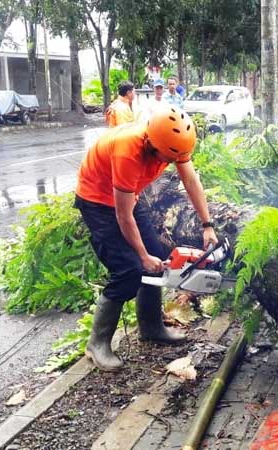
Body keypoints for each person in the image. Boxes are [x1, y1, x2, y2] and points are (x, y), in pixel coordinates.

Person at [75, 107, 218, 372]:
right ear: (152, 143)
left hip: (128, 196)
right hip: (97, 200)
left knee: (158, 256)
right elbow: (122, 215)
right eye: (168, 157)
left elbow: (191, 180)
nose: (171, 162)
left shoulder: (173, 142)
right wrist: (141, 257)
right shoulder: (127, 150)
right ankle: (97, 344)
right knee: (128, 269)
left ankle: (151, 327)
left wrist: (207, 225)